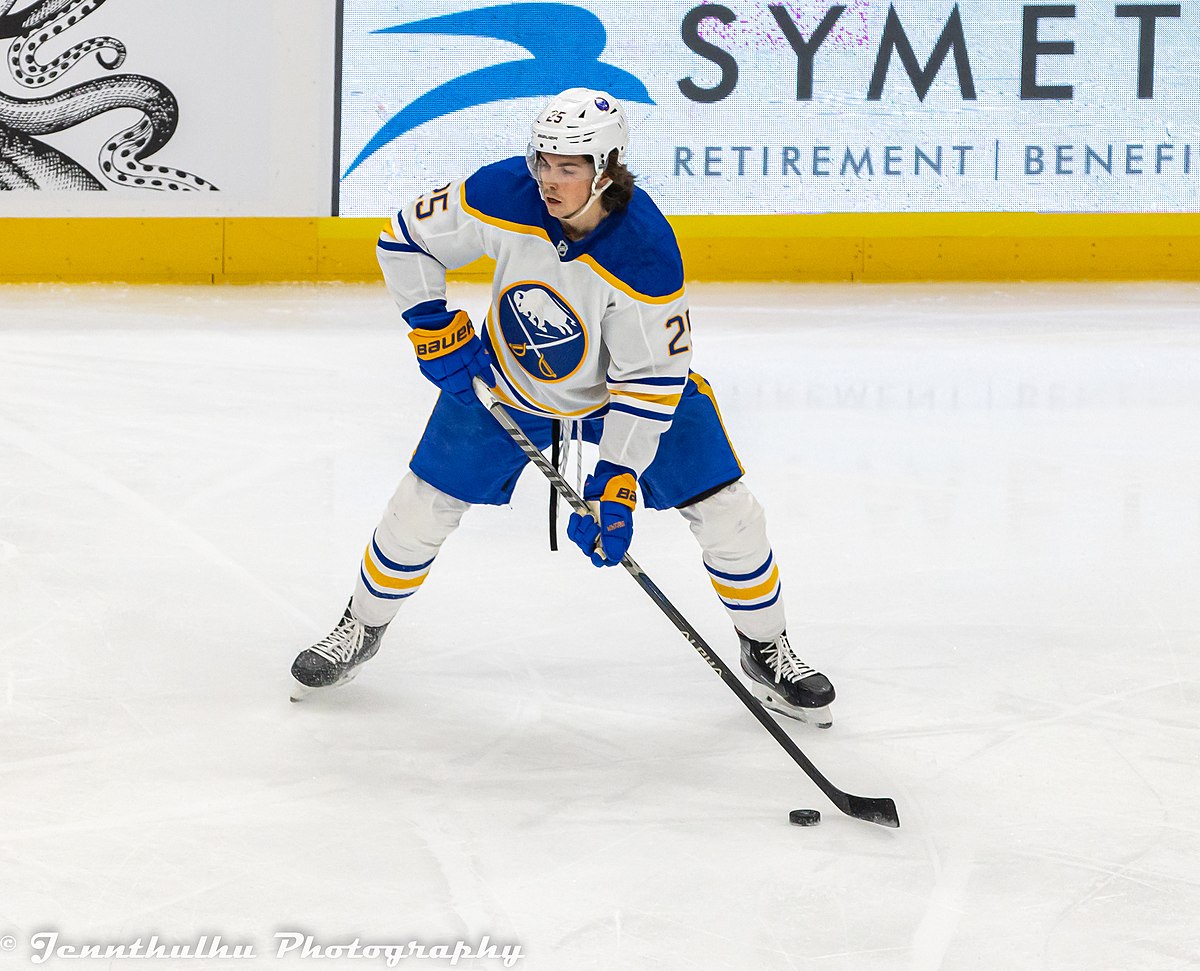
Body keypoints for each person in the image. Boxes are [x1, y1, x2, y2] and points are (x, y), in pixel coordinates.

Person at [290, 88, 835, 727]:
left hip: (625, 396)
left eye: (568, 166)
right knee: (421, 504)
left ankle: (767, 645)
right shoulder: (501, 194)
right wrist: (430, 324)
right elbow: (405, 238)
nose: (549, 179)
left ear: (605, 169)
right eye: (543, 160)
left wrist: (618, 479)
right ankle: (361, 626)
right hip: (509, 375)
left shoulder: (646, 255)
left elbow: (651, 382)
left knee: (729, 512)